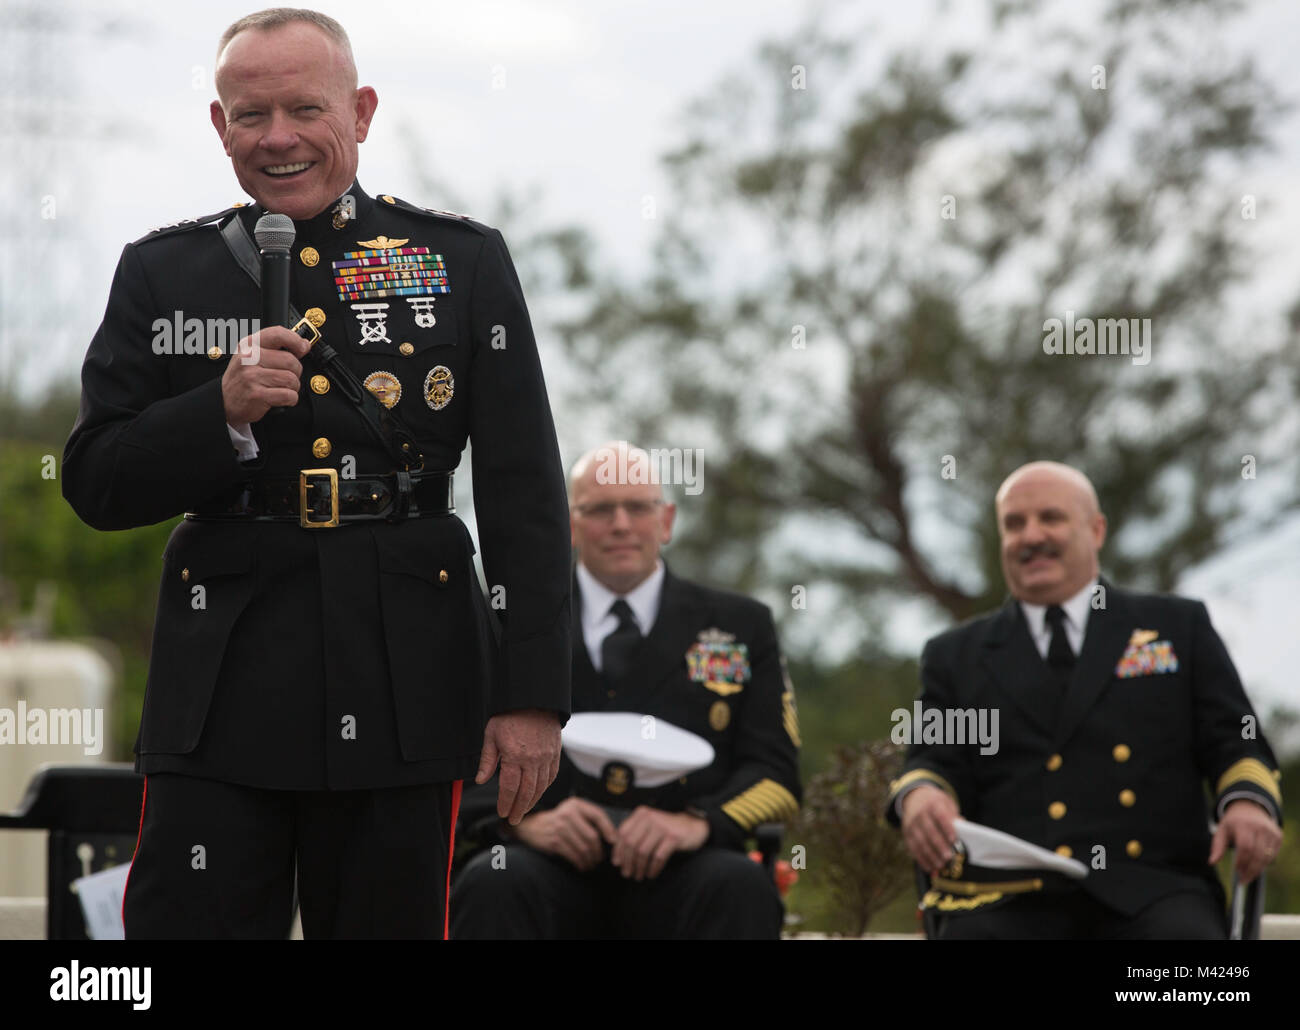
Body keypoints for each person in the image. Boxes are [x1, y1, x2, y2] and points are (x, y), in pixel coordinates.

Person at [61, 8, 570, 939]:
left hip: (405, 671)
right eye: (251, 116)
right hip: (223, 683)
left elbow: (523, 486)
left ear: (363, 111)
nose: (279, 138)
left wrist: (531, 695)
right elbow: (95, 481)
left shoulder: (459, 261)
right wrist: (214, 412)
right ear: (220, 127)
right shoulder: (160, 273)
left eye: (306, 108)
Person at [889, 461, 1283, 939]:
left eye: (1050, 518)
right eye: (1014, 524)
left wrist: (1246, 803)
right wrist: (923, 793)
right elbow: (933, 759)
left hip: (1153, 891)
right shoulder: (958, 655)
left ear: (1096, 530)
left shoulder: (1176, 628)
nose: (1031, 536)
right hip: (1009, 898)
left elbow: (1236, 741)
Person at [450, 442, 801, 938]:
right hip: (548, 867)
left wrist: (698, 824)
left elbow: (776, 773)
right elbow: (457, 758)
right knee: (492, 881)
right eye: (598, 510)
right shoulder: (507, 622)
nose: (620, 525)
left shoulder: (741, 626)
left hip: (687, 868)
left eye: (638, 507)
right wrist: (523, 823)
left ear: (667, 520)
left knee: (740, 884)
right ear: (569, 524)